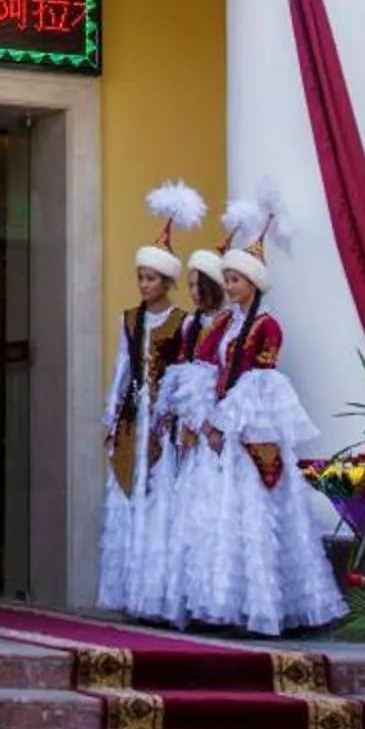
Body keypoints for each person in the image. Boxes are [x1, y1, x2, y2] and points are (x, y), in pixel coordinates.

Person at [184, 192, 344, 635]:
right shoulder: (228, 325)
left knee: (255, 518)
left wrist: (223, 422)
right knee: (222, 519)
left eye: (235, 279)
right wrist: (207, 418)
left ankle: (261, 607)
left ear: (254, 283)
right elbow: (210, 370)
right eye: (228, 278)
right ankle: (221, 604)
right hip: (225, 435)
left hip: (250, 434)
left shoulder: (266, 326)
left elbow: (259, 382)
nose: (230, 286)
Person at [97, 181, 203, 615]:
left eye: (151, 278)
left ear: (168, 281)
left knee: (160, 499)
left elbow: (183, 374)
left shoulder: (182, 321)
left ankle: (156, 592)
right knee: (127, 493)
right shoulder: (129, 319)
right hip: (131, 420)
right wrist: (111, 414)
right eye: (140, 277)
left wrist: (174, 414)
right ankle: (128, 591)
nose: (144, 284)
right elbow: (123, 367)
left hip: (162, 424)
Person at [128, 245, 230, 625]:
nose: (193, 292)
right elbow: (181, 370)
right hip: (183, 429)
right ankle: (179, 598)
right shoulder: (193, 325)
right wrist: (169, 412)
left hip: (211, 428)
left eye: (198, 284)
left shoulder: (227, 324)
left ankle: (211, 602)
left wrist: (204, 419)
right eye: (190, 284)